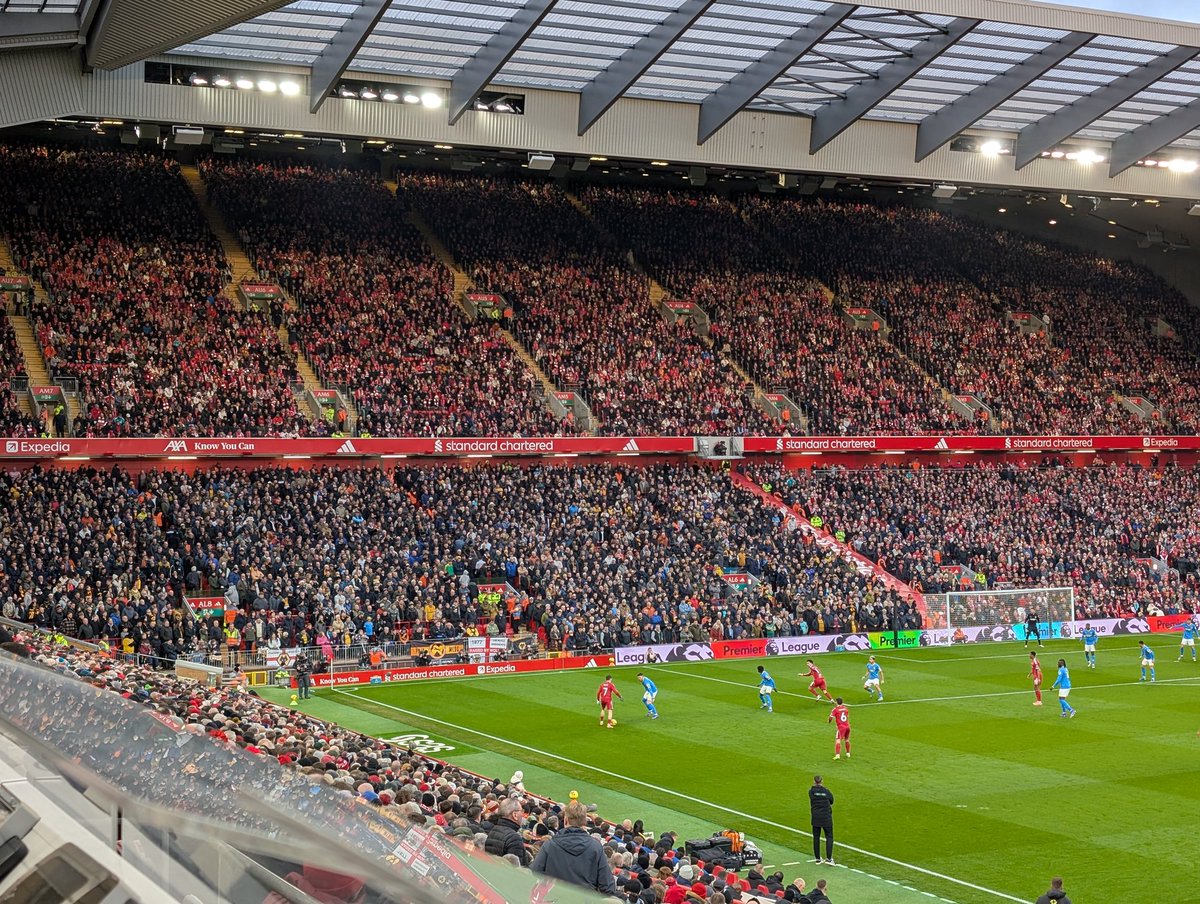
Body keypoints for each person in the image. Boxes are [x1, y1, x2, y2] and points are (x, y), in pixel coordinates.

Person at [530, 800, 619, 896]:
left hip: (555, 898)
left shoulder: (550, 845)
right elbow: (607, 886)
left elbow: (535, 872)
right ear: (584, 822)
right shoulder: (595, 847)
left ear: (565, 820)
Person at [484, 798, 531, 865]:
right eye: (521, 811)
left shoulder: (494, 829)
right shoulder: (514, 838)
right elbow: (517, 869)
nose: (522, 814)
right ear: (515, 815)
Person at [808, 775, 834, 865]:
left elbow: (813, 797)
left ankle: (818, 859)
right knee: (829, 837)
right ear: (822, 781)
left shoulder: (811, 791)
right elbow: (831, 800)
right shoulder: (826, 791)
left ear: (814, 781)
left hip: (816, 817)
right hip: (826, 817)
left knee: (816, 837)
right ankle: (829, 859)